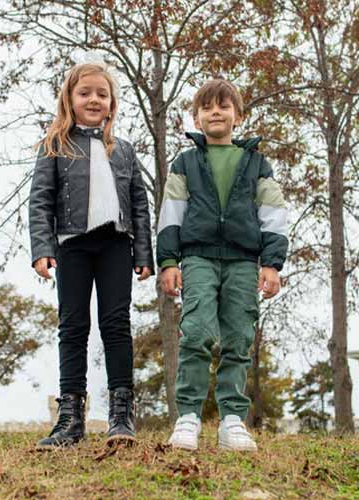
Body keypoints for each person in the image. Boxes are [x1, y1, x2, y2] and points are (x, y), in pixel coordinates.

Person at [157, 79, 288, 451]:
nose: (216, 112)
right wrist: (168, 260)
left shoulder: (257, 163)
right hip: (197, 257)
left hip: (244, 261)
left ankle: (232, 420)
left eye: (224, 106)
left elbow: (273, 215)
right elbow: (171, 214)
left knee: (238, 338)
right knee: (196, 333)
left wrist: (272, 264)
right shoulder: (186, 162)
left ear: (238, 116)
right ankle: (188, 417)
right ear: (197, 118)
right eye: (208, 107)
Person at [29, 62, 154, 449]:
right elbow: (40, 200)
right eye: (85, 93)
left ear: (112, 103)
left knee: (116, 324)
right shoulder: (54, 146)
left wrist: (143, 252)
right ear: (70, 99)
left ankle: (121, 414)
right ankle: (70, 417)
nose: (93, 100)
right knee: (73, 326)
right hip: (72, 246)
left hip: (116, 244)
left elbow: (139, 203)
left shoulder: (125, 150)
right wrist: (42, 249)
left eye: (102, 94)